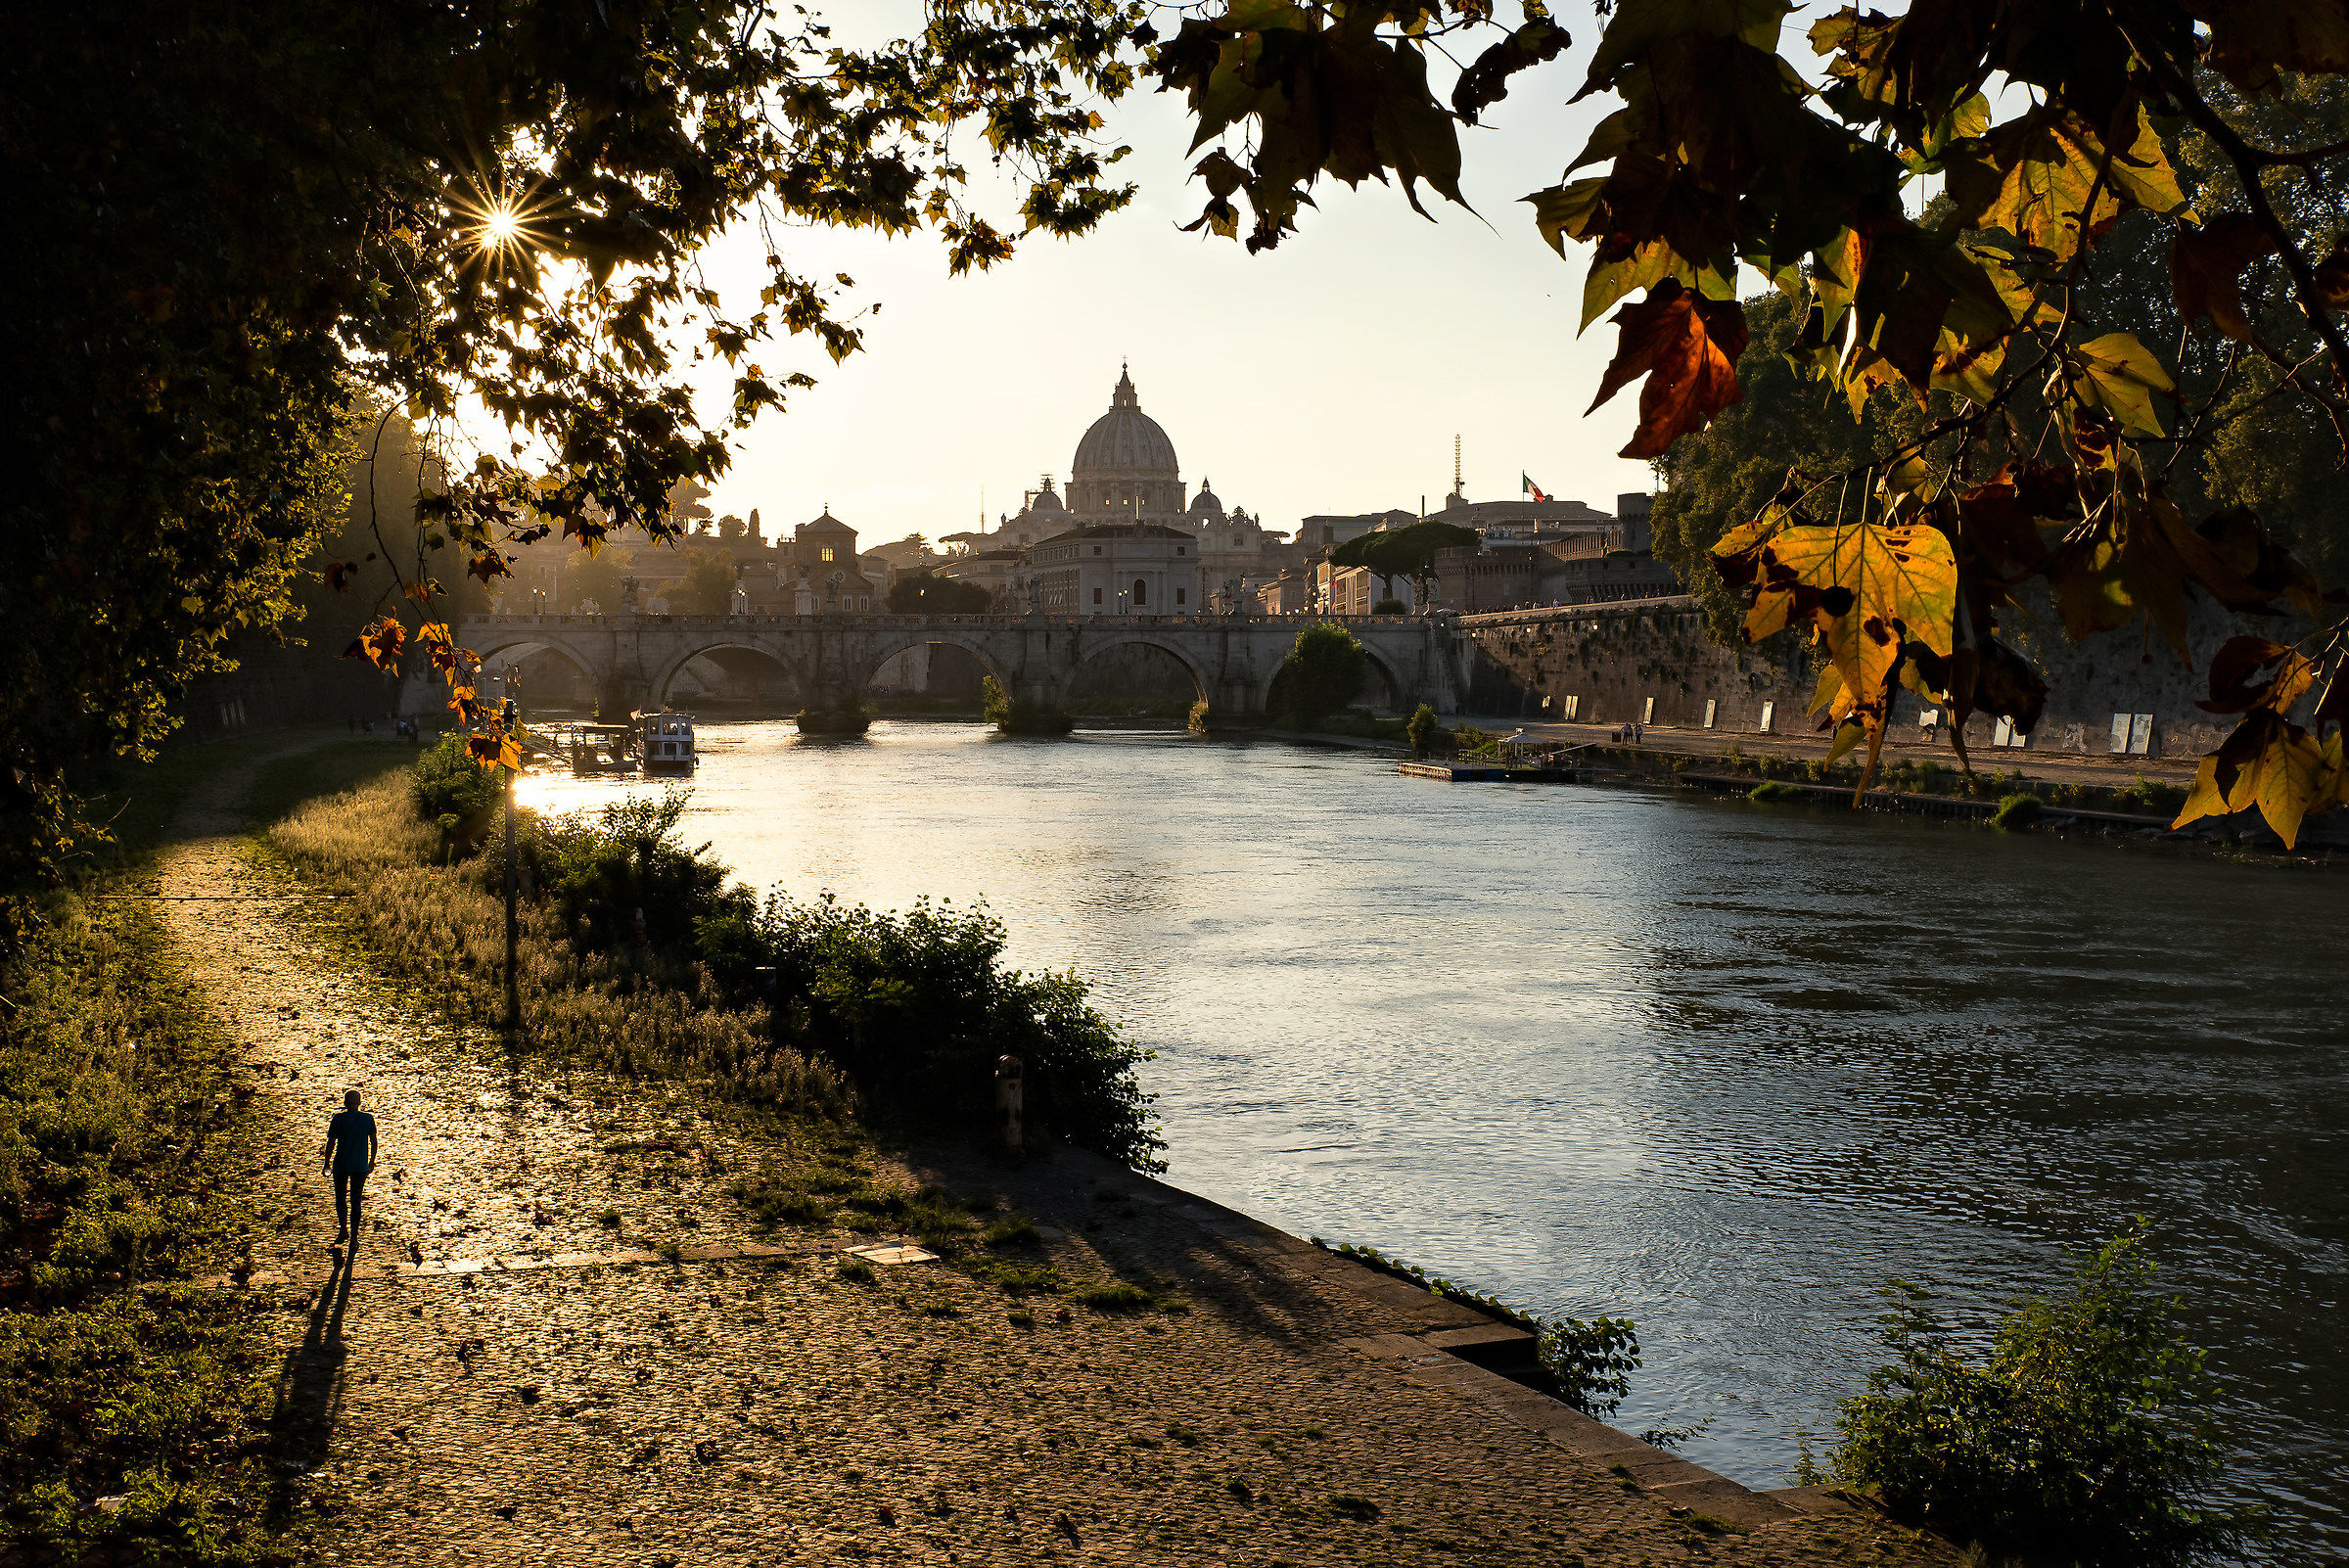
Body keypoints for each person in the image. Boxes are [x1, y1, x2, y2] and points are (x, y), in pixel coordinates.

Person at [323, 1089, 378, 1247]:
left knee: (340, 1199)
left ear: (345, 1103)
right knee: (356, 1201)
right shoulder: (368, 1119)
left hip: (341, 1164)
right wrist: (371, 1161)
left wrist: (326, 1162)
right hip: (360, 1166)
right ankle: (354, 1237)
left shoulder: (338, 1118)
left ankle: (343, 1230)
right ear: (360, 1103)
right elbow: (374, 1142)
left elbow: (331, 1143)